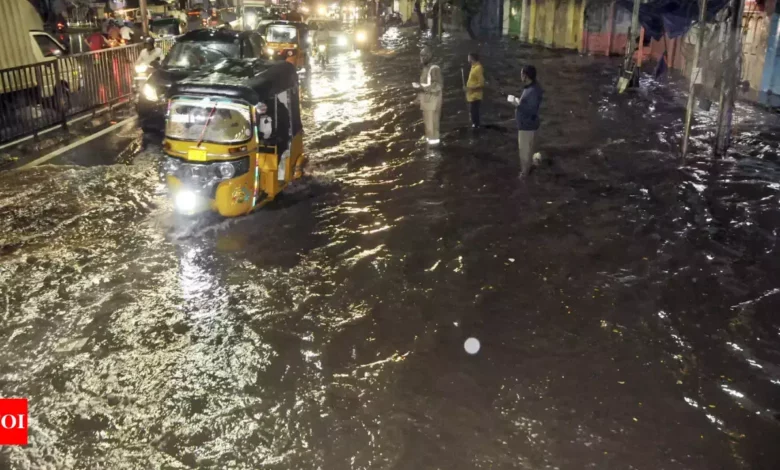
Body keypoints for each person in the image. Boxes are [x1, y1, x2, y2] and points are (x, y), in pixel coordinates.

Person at [507, 65, 543, 179]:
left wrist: (517, 105)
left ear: (526, 76)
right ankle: (534, 163)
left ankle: (524, 175)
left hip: (526, 127)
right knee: (531, 149)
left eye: (522, 74)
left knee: (524, 153)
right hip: (532, 125)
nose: (520, 76)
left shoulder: (531, 91)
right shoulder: (534, 87)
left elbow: (531, 110)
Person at [412, 47, 443, 145]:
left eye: (423, 55)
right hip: (427, 102)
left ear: (428, 56)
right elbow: (426, 85)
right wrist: (418, 98)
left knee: (432, 126)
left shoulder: (434, 69)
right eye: (421, 55)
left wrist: (421, 88)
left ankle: (433, 151)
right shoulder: (426, 69)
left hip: (432, 102)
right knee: (429, 126)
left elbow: (438, 85)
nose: (421, 58)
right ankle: (430, 145)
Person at [465, 52, 484, 128]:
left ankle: (476, 126)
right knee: (473, 112)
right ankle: (475, 125)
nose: (467, 59)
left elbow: (481, 83)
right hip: (471, 95)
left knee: (474, 112)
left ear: (472, 58)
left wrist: (470, 88)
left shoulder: (478, 68)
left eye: (468, 57)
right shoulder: (473, 67)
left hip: (475, 96)